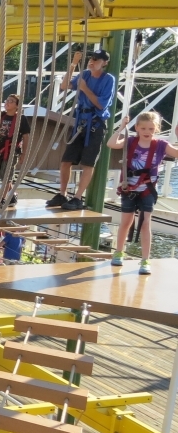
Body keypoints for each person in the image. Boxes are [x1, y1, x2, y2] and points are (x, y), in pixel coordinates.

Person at [108, 112, 178, 276]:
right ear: (137, 128)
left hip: (147, 189)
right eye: (143, 128)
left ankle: (145, 260)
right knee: (126, 222)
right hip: (129, 189)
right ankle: (119, 252)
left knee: (146, 223)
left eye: (151, 129)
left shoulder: (160, 144)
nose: (147, 131)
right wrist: (121, 128)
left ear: (157, 129)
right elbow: (112, 144)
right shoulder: (131, 141)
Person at [48, 49, 116, 210]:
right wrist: (73, 65)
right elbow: (65, 85)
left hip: (95, 123)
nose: (92, 61)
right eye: (91, 58)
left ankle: (77, 197)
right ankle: (62, 193)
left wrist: (85, 89)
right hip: (80, 121)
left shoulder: (108, 80)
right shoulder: (84, 74)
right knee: (66, 161)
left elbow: (101, 104)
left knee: (88, 162)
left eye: (97, 59)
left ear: (104, 63)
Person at [0, 94, 30, 207]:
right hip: (0, 149)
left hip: (12, 150)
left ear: (17, 106)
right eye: (7, 100)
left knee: (7, 174)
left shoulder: (21, 119)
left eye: (11, 101)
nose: (7, 102)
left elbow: (26, 136)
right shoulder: (1, 115)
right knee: (0, 173)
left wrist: (24, 153)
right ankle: (12, 195)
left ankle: (2, 199)